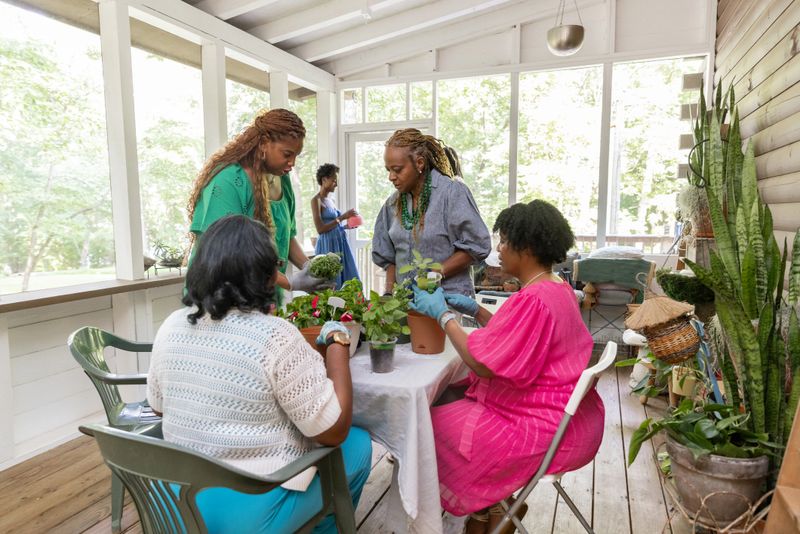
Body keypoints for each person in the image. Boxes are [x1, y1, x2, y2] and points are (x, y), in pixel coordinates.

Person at [147, 215, 371, 534]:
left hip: (176, 506)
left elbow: (158, 408)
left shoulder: (171, 325)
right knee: (358, 446)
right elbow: (333, 432)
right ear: (265, 276)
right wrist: (338, 343)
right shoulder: (275, 336)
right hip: (251, 513)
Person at [409, 200, 605, 534]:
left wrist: (443, 316)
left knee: (423, 426)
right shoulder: (555, 287)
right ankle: (492, 511)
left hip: (538, 426)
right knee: (450, 395)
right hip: (566, 417)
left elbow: (482, 364)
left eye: (503, 241)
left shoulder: (534, 298)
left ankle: (487, 506)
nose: (497, 249)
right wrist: (476, 311)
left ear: (525, 248)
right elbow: (519, 338)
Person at [186, 108, 334, 303]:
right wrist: (290, 282)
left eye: (296, 156)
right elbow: (230, 254)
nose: (292, 163)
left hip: (261, 296)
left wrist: (308, 268)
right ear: (264, 143)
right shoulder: (227, 181)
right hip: (220, 298)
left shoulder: (282, 179)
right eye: (287, 154)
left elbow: (286, 236)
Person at [372, 128, 491, 296]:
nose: (391, 177)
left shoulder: (451, 193)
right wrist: (388, 293)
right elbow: (389, 257)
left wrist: (435, 274)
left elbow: (476, 246)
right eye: (388, 170)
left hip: (448, 300)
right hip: (407, 302)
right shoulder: (392, 204)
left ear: (419, 163)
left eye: (397, 169)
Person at [311, 163, 360, 289]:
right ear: (324, 180)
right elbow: (320, 229)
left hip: (340, 242)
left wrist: (345, 227)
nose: (336, 184)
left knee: (349, 278)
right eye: (334, 181)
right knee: (332, 282)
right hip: (328, 245)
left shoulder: (331, 201)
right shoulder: (316, 200)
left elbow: (333, 225)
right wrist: (343, 217)